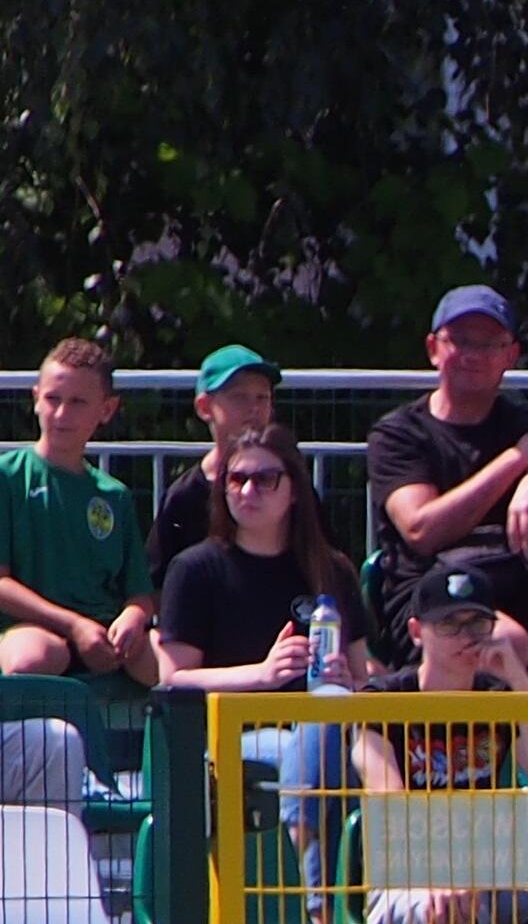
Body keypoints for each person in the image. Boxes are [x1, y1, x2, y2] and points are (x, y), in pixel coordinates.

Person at [348, 559, 528, 924]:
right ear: (417, 631)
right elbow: (392, 802)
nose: (465, 636)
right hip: (410, 876)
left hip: (489, 867)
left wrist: (518, 681)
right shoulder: (382, 701)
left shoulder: (498, 697)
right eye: (449, 624)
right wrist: (448, 876)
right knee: (449, 899)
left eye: (477, 624)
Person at [367, 287, 528, 676]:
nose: (473, 355)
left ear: (510, 355)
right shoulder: (398, 434)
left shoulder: (526, 423)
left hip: (518, 586)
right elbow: (421, 529)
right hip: (435, 596)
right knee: (506, 643)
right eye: (461, 341)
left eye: (489, 344)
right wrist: (518, 458)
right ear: (434, 348)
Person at [154, 425, 371, 875]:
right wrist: (262, 675)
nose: (248, 491)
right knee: (313, 740)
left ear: (294, 491)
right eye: (237, 479)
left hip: (329, 728)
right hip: (233, 732)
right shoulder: (194, 569)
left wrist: (347, 679)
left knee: (330, 732)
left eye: (265, 479)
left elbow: (363, 674)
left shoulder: (331, 569)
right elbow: (173, 676)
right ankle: (317, 892)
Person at [0, 338, 159, 685]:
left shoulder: (114, 495)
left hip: (103, 631)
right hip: (32, 629)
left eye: (77, 402)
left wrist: (133, 617)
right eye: (52, 399)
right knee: (30, 658)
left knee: (169, 661)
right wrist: (73, 625)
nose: (61, 414)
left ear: (107, 409)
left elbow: (139, 592)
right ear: (35, 398)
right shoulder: (7, 477)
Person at [150, 343, 280, 575]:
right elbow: (158, 579)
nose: (254, 408)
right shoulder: (185, 496)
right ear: (204, 407)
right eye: (239, 397)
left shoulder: (287, 484)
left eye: (262, 397)